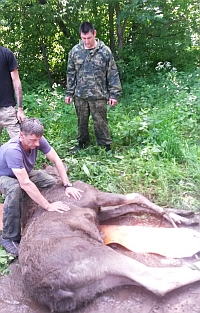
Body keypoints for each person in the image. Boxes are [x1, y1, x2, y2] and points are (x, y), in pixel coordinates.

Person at [0, 118, 83, 256]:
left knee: (51, 182)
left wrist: (67, 185)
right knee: (15, 188)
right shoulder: (13, 150)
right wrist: (48, 206)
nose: (37, 143)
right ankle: (8, 237)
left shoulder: (37, 139)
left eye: (38, 139)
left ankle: (27, 201)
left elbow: (56, 160)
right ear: (21, 135)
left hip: (22, 171)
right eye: (33, 140)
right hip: (4, 176)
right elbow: (25, 183)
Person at [65, 22, 122, 154]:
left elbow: (112, 73)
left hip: (99, 95)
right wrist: (69, 93)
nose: (86, 41)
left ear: (94, 34)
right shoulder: (75, 51)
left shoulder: (105, 51)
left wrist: (114, 94)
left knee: (101, 122)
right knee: (82, 122)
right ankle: (82, 143)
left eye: (89, 38)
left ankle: (105, 146)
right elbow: (70, 73)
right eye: (83, 38)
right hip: (80, 95)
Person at [0, 45, 26, 140]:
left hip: (7, 110)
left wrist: (20, 109)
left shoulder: (6, 54)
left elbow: (16, 82)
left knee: (21, 144)